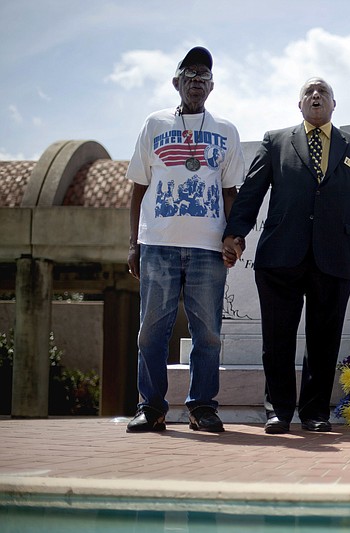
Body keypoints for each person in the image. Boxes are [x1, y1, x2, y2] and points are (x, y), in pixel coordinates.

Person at [223, 77, 350, 434]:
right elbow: (251, 192)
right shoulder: (275, 141)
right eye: (308, 93)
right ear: (299, 105)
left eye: (323, 92)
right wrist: (235, 234)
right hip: (280, 257)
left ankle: (315, 413)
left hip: (333, 258)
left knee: (323, 341)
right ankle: (278, 411)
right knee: (277, 339)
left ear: (333, 103)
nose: (316, 96)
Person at [126, 46, 245, 433]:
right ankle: (151, 406)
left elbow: (231, 194)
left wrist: (233, 238)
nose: (197, 81)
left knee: (207, 331)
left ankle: (202, 407)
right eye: (190, 74)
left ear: (212, 87)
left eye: (205, 77)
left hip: (207, 246)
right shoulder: (154, 124)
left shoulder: (226, 131)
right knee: (151, 330)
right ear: (176, 82)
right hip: (157, 244)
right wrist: (134, 243)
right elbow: (139, 188)